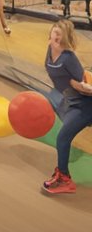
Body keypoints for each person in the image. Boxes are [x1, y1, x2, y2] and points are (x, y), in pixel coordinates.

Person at [42, 18, 92, 195]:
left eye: (59, 34)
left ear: (64, 38)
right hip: (69, 101)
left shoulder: (68, 58)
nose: (55, 36)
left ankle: (65, 180)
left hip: (83, 105)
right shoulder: (49, 50)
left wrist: (77, 86)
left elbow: (81, 83)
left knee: (63, 138)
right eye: (54, 32)